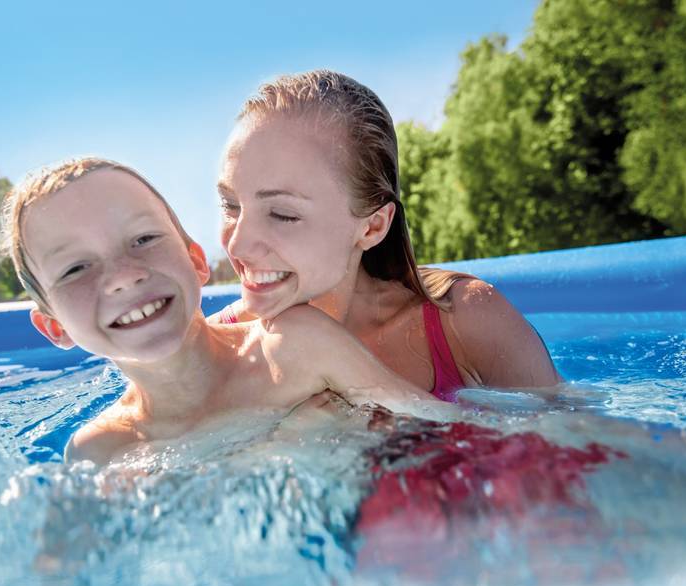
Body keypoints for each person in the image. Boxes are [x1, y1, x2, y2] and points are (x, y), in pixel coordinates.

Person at [1, 157, 451, 466]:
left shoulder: (294, 346)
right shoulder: (100, 450)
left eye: (143, 240)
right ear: (54, 326)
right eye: (77, 268)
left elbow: (444, 427)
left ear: (197, 261)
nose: (123, 276)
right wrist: (283, 447)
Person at [215, 70, 561, 400]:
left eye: (282, 214)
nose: (237, 244)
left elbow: (576, 442)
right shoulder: (215, 347)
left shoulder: (465, 325)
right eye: (230, 205)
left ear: (373, 226)